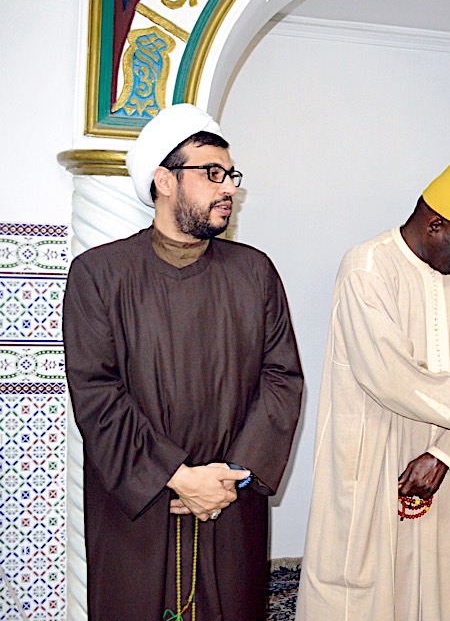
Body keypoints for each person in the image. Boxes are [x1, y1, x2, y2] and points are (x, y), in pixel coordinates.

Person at [63, 103, 304, 620]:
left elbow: (282, 378)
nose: (228, 188)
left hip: (228, 501)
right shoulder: (99, 275)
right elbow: (97, 394)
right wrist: (175, 475)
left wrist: (232, 475)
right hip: (139, 505)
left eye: (231, 175)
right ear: (164, 180)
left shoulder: (254, 272)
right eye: (212, 173)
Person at [297, 154, 450, 621]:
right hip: (373, 460)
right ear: (435, 225)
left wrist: (443, 455)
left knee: (439, 592)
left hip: (442, 465)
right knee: (361, 595)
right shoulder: (367, 268)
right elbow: (390, 377)